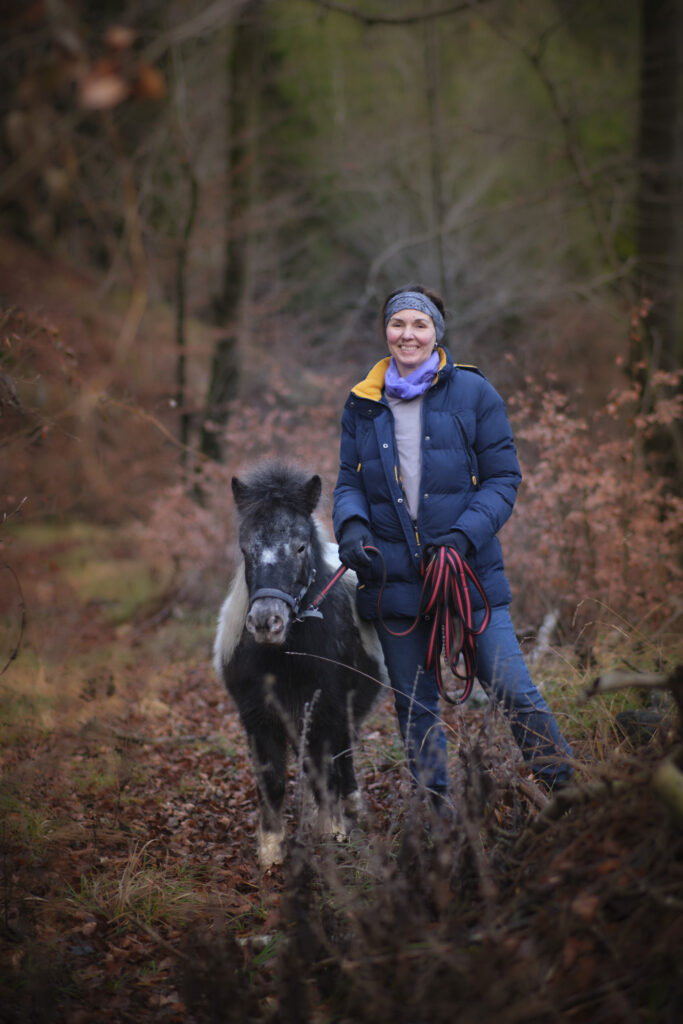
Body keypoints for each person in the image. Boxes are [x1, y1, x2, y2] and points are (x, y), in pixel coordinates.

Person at [333, 284, 573, 810]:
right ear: (386, 331)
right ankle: (436, 815)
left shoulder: (473, 394)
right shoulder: (363, 402)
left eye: (419, 325)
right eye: (398, 325)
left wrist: (464, 536)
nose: (407, 334)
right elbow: (348, 480)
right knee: (415, 706)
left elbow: (504, 478)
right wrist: (349, 528)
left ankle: (569, 792)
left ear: (436, 332)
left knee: (511, 687)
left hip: (468, 572)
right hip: (391, 577)